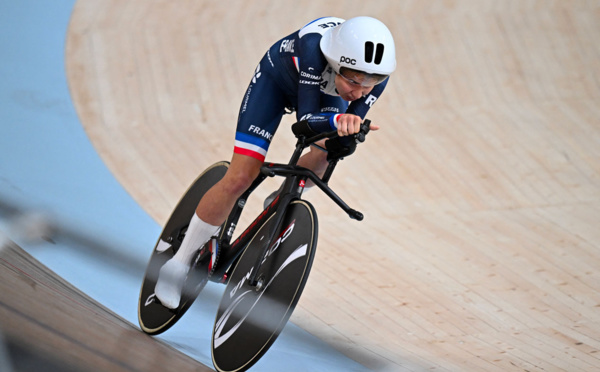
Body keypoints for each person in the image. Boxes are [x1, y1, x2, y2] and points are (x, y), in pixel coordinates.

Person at [155, 16, 396, 309]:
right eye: (353, 80)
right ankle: (177, 265)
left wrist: (347, 136)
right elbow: (305, 122)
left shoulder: (375, 77)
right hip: (275, 83)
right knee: (240, 178)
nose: (359, 92)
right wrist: (338, 120)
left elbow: (348, 123)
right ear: (334, 61)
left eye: (370, 82)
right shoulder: (312, 49)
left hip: (322, 92)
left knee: (327, 151)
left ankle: (279, 198)